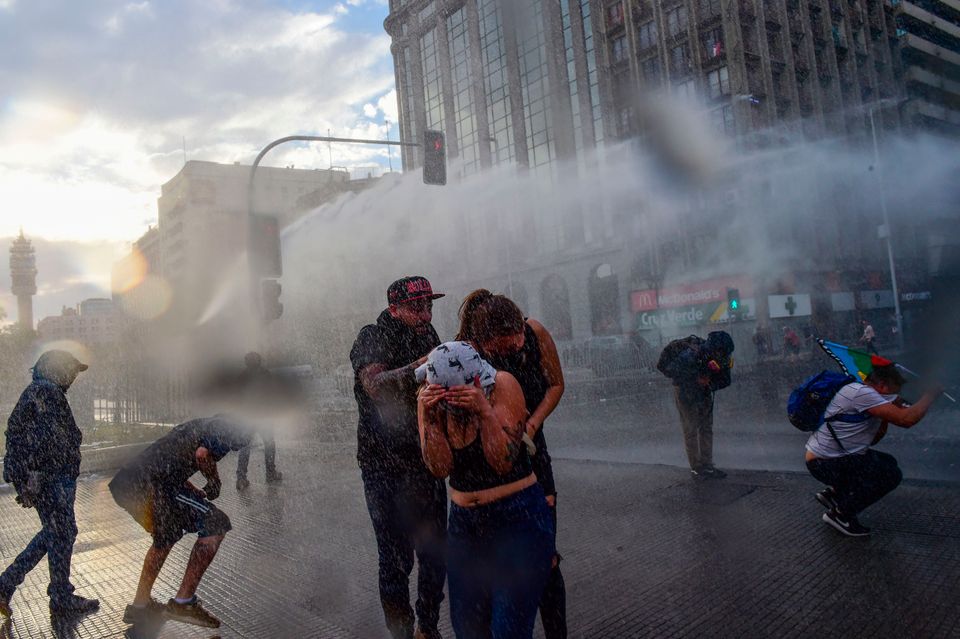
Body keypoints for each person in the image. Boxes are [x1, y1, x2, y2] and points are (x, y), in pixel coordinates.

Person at [417, 341, 554, 639]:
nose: (430, 390)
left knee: (509, 631)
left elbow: (502, 461)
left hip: (518, 520)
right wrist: (429, 419)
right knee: (469, 629)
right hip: (465, 527)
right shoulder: (429, 399)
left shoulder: (502, 385)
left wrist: (484, 411)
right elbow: (439, 468)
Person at [457, 290, 567, 639]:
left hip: (533, 448)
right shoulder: (470, 355)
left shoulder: (535, 334)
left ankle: (556, 633)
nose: (511, 352)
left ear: (521, 325)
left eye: (514, 344)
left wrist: (531, 425)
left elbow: (556, 384)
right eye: (500, 350)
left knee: (546, 557)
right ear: (482, 342)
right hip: (493, 460)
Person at [349, 276, 447, 639]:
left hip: (425, 461)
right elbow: (375, 387)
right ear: (394, 308)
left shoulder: (428, 334)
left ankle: (428, 627)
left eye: (429, 306)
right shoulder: (372, 336)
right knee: (396, 560)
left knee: (436, 554)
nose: (425, 314)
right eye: (416, 307)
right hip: (383, 467)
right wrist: (421, 366)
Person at [108, 416, 252, 628]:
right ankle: (183, 603)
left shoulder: (206, 424)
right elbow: (202, 455)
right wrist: (214, 481)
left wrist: (189, 488)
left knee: (166, 536)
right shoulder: (230, 427)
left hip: (128, 483)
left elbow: (168, 458)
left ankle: (139, 607)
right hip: (151, 486)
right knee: (216, 523)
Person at [0, 351, 100, 618]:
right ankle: (15, 586)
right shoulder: (46, 392)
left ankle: (56, 594)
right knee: (60, 531)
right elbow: (47, 439)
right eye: (71, 371)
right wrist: (34, 475)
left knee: (59, 533)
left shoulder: (41, 391)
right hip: (50, 478)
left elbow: (20, 433)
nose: (73, 377)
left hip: (47, 477)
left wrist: (25, 474)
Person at [805, 365, 942, 536]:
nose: (894, 397)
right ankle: (840, 515)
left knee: (887, 462)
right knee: (891, 476)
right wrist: (930, 395)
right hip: (824, 464)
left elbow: (873, 441)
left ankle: (835, 494)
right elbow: (907, 420)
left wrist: (884, 416)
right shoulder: (862, 394)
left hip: (830, 459)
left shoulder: (863, 392)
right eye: (893, 392)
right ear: (883, 385)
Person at [657, 332, 735, 480]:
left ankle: (707, 466)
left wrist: (710, 383)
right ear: (714, 349)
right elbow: (672, 371)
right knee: (691, 429)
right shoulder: (691, 354)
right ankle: (696, 468)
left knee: (706, 428)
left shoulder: (722, 356)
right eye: (719, 352)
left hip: (704, 391)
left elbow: (725, 380)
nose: (721, 356)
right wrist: (696, 379)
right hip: (685, 391)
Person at [235, 352, 283, 490]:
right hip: (264, 415)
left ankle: (241, 478)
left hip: (248, 416)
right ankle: (270, 473)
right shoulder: (265, 374)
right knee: (269, 444)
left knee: (245, 446)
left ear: (246, 362)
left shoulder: (242, 376)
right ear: (259, 361)